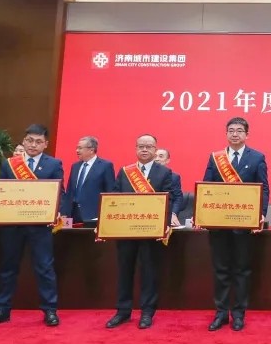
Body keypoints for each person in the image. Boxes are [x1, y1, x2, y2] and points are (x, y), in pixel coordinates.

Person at [0, 124, 64, 328]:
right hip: (12, 225)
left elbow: (59, 192)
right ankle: (2, 310)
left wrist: (56, 210)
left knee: (44, 268)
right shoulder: (10, 164)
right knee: (8, 268)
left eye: (38, 142)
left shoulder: (53, 164)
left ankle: (50, 310)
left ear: (45, 144)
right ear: (24, 141)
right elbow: (0, 191)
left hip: (40, 225)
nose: (33, 145)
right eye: (29, 141)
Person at [105, 134, 180, 330]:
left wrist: (164, 223)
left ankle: (147, 312)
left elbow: (169, 199)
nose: (144, 149)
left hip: (150, 231)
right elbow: (114, 197)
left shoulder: (164, 173)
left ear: (156, 150)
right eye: (141, 146)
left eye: (149, 146)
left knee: (149, 272)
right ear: (136, 149)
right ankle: (122, 311)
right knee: (124, 271)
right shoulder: (125, 172)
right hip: (126, 231)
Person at [201, 117, 269, 332]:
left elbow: (263, 188)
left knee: (242, 270)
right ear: (226, 133)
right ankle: (221, 313)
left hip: (244, 224)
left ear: (247, 134)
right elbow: (206, 187)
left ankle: (239, 314)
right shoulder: (216, 158)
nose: (235, 134)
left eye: (239, 130)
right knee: (221, 270)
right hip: (219, 225)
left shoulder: (257, 157)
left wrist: (261, 214)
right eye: (231, 130)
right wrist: (203, 214)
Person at [63, 136, 115, 226]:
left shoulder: (105, 166)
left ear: (91, 150)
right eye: (77, 148)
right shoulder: (75, 166)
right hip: (73, 215)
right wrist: (64, 212)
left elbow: (110, 192)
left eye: (80, 148)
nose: (77, 151)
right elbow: (70, 191)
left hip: (93, 215)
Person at [155, 148, 187, 226]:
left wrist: (173, 214)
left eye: (161, 156)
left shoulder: (174, 177)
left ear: (167, 160)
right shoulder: (144, 176)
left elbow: (178, 198)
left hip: (166, 213)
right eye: (155, 156)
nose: (157, 159)